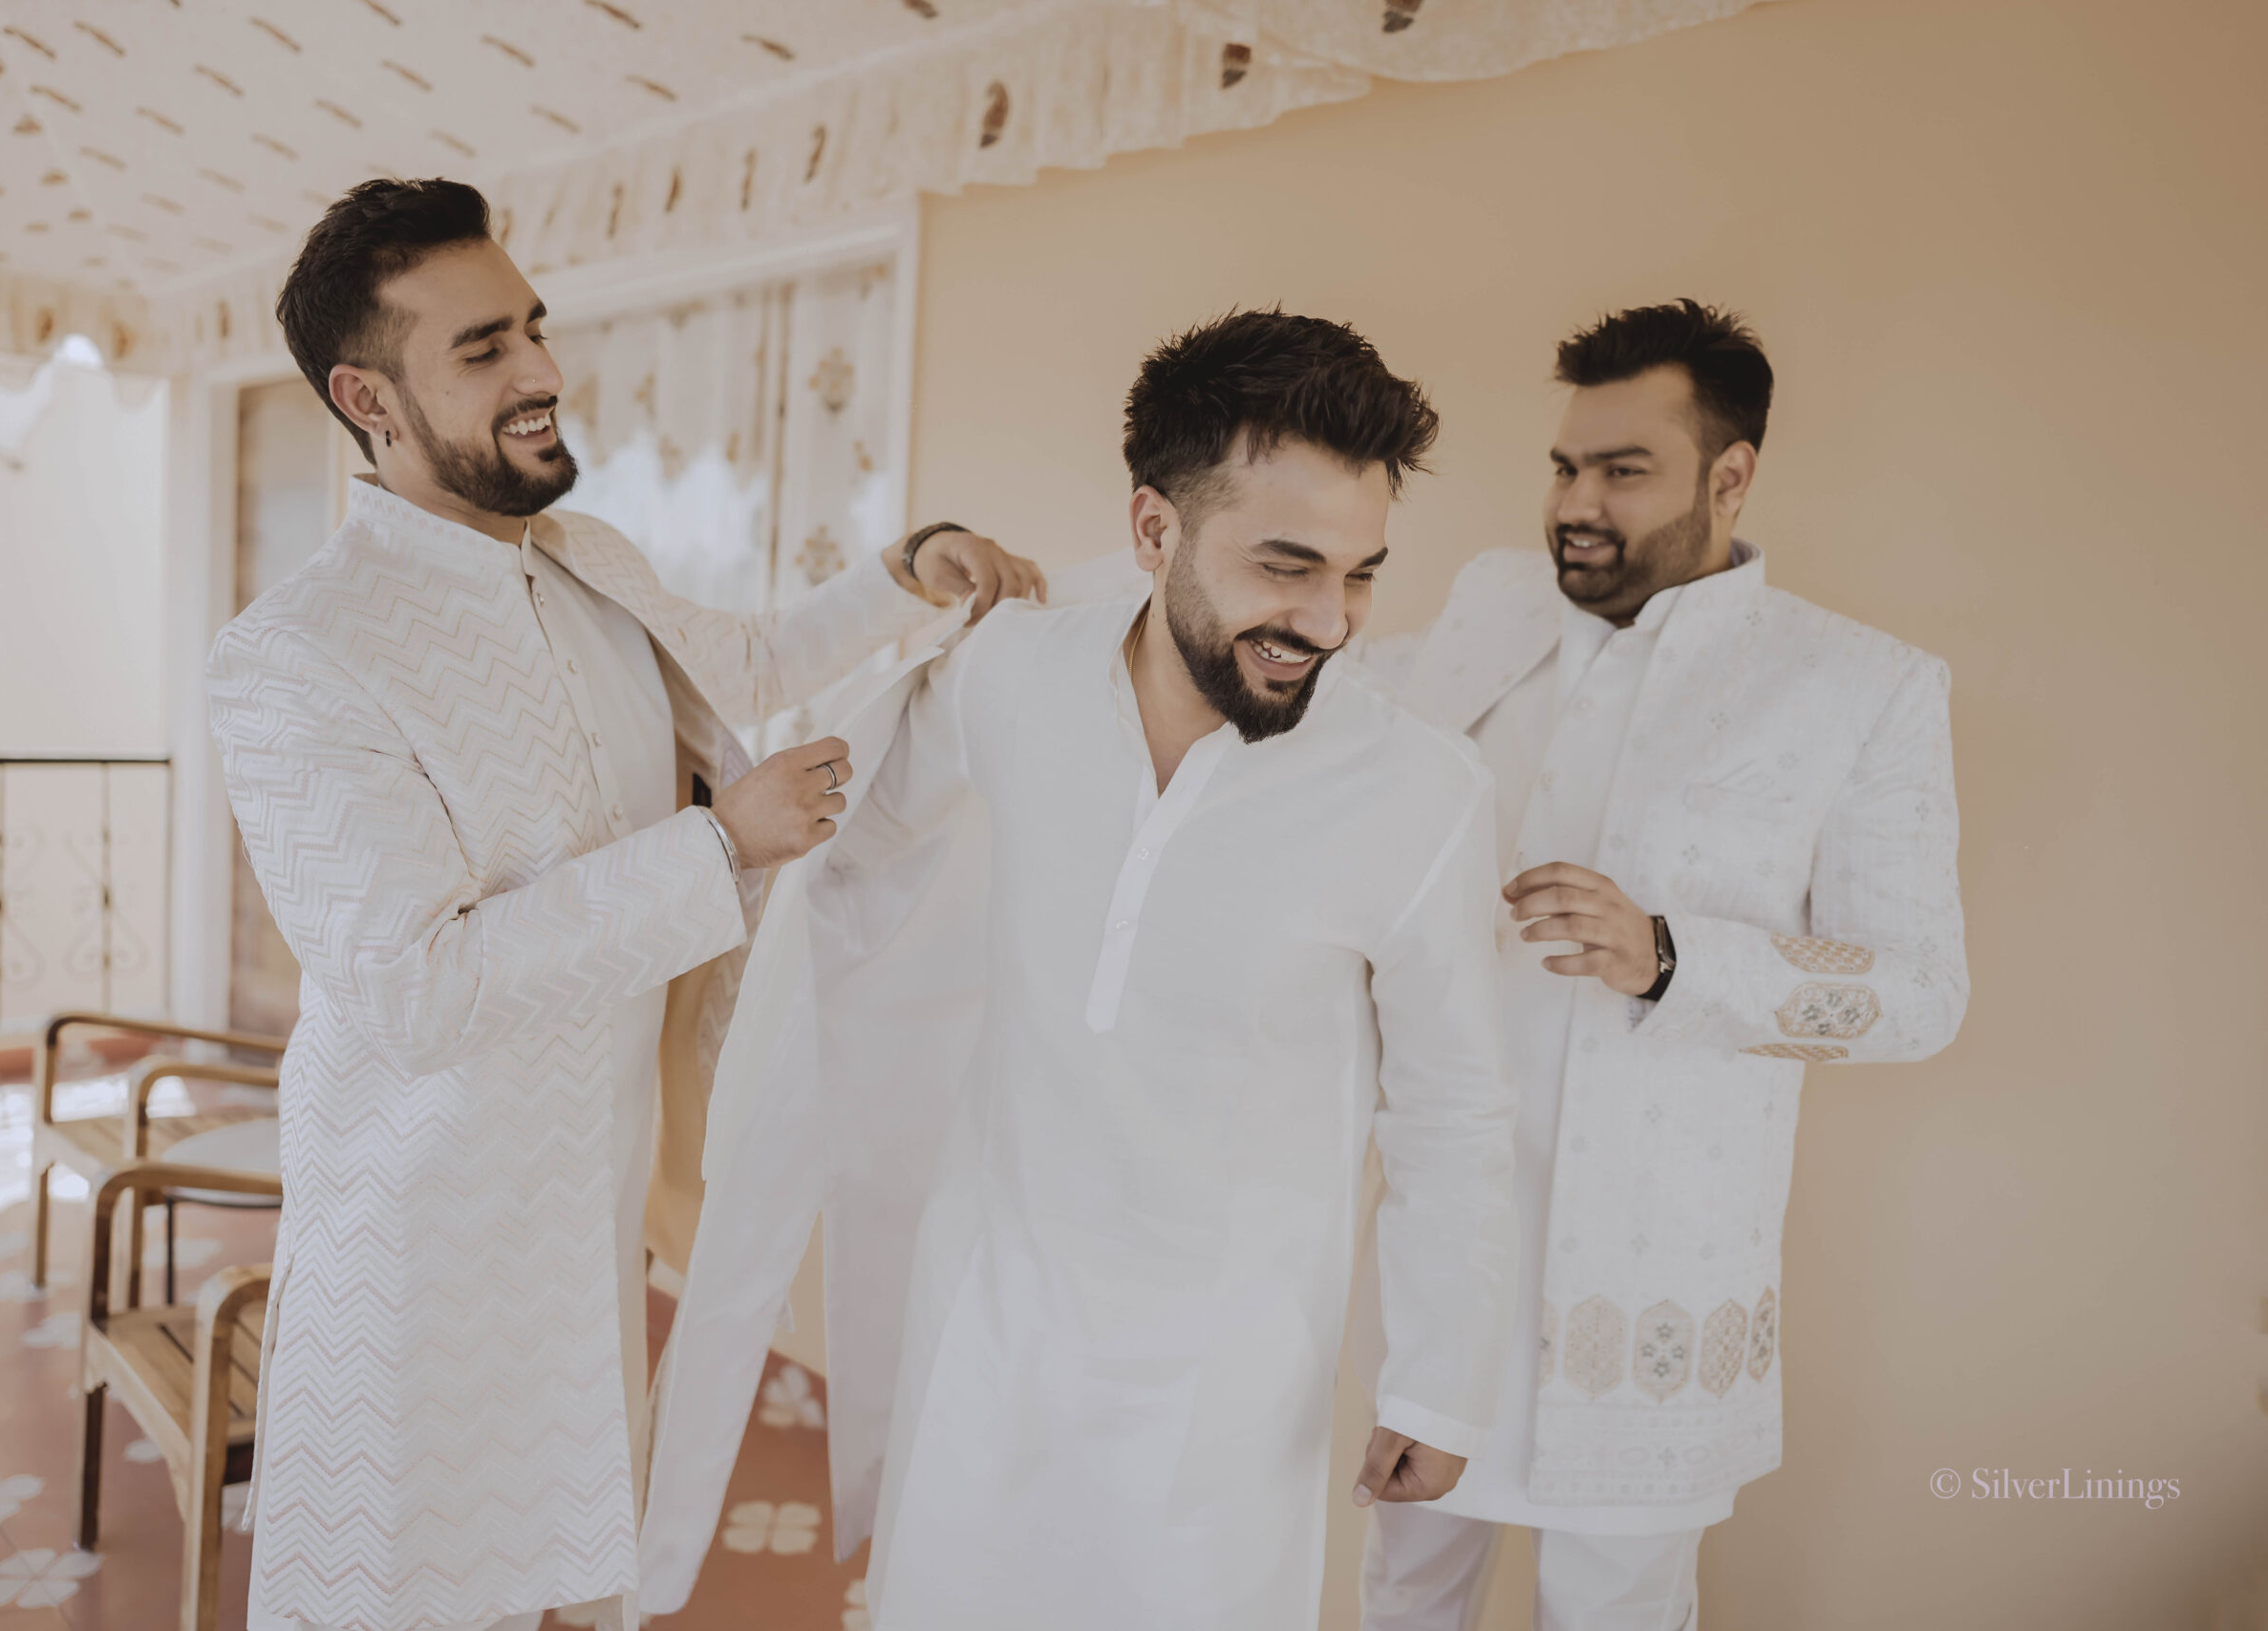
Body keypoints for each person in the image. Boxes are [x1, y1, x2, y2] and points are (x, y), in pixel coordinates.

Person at [207, 176, 1042, 1631]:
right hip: (427, 1250)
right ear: (368, 399)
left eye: (533, 327)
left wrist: (909, 574)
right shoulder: (296, 657)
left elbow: (748, 662)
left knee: (583, 1580)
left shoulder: (586, 558)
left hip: (593, 1224)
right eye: (484, 349)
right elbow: (415, 991)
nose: (541, 370)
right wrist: (721, 850)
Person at [636, 310, 1520, 1631]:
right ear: (1154, 529)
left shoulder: (1422, 792)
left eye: (1361, 575)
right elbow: (857, 831)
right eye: (1285, 567)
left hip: (1223, 1389)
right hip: (987, 1322)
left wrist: (1441, 1380)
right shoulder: (1010, 673)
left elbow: (1455, 1109)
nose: (1328, 620)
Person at [1355, 300, 1969, 1630]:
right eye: (1566, 467)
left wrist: (1672, 956)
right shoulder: (1490, 610)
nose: (1576, 504)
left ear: (1729, 476)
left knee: (1617, 1609)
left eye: (1623, 471)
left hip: (1649, 1292)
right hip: (1441, 1255)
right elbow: (1311, 678)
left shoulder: (1857, 687)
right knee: (1403, 1594)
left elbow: (1922, 995)